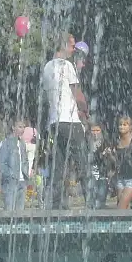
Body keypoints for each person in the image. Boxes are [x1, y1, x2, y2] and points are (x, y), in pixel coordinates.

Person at [42, 33, 88, 209]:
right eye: (72, 46)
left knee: (58, 165)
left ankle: (55, 204)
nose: (74, 50)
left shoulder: (47, 67)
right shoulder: (67, 65)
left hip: (54, 123)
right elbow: (77, 94)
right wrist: (85, 108)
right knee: (82, 161)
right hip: (70, 121)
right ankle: (92, 202)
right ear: (63, 46)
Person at [0, 119, 30, 211]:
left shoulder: (22, 143)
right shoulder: (6, 142)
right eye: (20, 127)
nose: (22, 129)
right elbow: (0, 162)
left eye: (24, 127)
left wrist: (26, 173)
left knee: (20, 213)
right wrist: (10, 175)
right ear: (13, 127)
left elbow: (25, 160)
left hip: (22, 182)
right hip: (10, 183)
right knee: (9, 211)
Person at [87, 121, 115, 209]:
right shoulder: (86, 143)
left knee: (101, 197)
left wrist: (109, 154)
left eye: (97, 130)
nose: (95, 133)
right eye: (93, 130)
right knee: (91, 199)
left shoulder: (106, 143)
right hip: (90, 173)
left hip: (103, 173)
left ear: (101, 131)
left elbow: (114, 160)